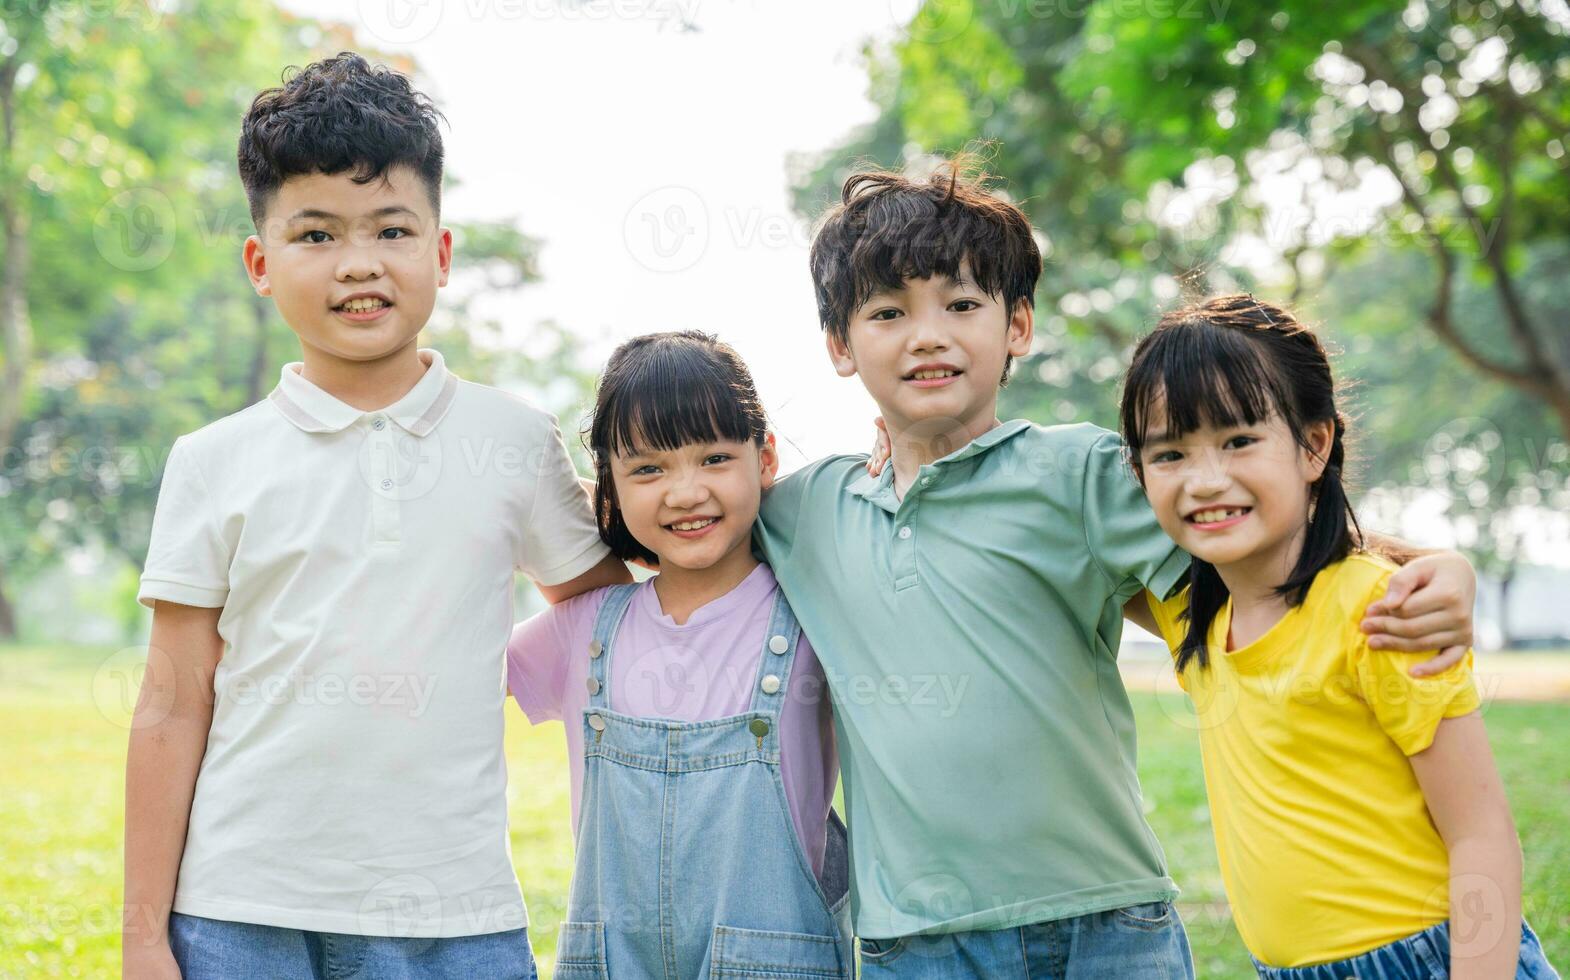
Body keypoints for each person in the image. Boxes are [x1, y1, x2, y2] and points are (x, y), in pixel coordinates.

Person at [759, 160, 1479, 978]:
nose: (929, 335)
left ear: (1018, 326)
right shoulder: (801, 512)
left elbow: (1272, 555)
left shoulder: (1082, 473)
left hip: (1105, 921)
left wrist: (1443, 565)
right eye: (889, 313)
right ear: (839, 346)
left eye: (962, 305)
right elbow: (660, 528)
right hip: (917, 939)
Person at [122, 53, 626, 980]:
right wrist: (144, 937)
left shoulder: (513, 441)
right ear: (260, 264)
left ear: (439, 252)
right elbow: (171, 700)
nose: (359, 264)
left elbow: (606, 618)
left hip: (458, 917)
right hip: (240, 916)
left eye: (391, 229)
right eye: (315, 234)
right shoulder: (212, 461)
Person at [1122, 295, 1559, 980]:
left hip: (1426, 961)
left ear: (1314, 444)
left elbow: (1482, 837)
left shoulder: (1378, 610)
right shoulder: (1194, 622)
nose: (1206, 481)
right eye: (1170, 453)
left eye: (1239, 440)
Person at [507, 331, 851, 979]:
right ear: (607, 482)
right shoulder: (579, 629)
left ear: (766, 457)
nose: (685, 491)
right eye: (648, 469)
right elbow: (442, 672)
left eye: (715, 457)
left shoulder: (816, 618)